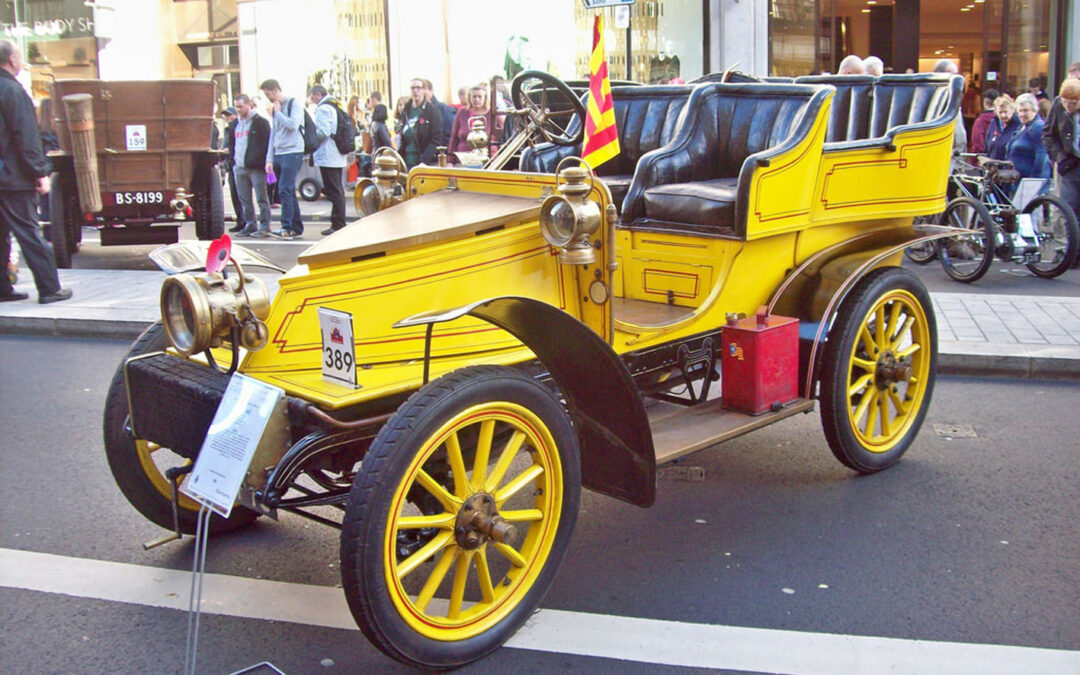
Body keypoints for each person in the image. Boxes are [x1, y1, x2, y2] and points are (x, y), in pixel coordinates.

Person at [0, 39, 70, 304]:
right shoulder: (13, 92)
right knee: (29, 233)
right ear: (12, 61)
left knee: (1, 239)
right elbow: (26, 137)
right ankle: (50, 288)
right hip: (13, 178)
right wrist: (40, 172)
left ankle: (2, 289)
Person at [260, 78, 305, 238]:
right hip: (279, 152)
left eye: (269, 95)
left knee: (284, 189)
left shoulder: (294, 104)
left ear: (275, 90)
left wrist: (278, 113)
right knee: (289, 190)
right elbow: (274, 134)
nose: (269, 99)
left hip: (293, 151)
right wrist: (269, 159)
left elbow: (293, 124)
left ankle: (286, 227)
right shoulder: (274, 109)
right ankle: (296, 226)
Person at [226, 94, 272, 238]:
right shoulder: (235, 124)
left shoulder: (260, 122)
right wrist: (233, 162)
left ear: (248, 105)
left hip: (256, 166)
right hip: (239, 166)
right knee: (244, 198)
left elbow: (267, 144)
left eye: (240, 106)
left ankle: (265, 226)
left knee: (261, 197)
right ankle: (250, 224)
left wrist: (265, 162)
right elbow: (232, 144)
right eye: (236, 107)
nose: (238, 110)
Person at [1042, 78, 1080, 241]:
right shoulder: (1058, 104)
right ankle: (1069, 251)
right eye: (1066, 103)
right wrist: (1060, 157)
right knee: (1067, 210)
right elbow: (1048, 134)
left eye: (1073, 104)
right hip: (1069, 163)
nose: (1068, 107)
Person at [308, 85, 348, 236]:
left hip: (328, 155)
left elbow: (323, 132)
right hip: (336, 154)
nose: (312, 101)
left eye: (312, 97)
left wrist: (311, 139)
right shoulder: (334, 105)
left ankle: (338, 223)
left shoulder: (323, 108)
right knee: (337, 189)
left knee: (334, 190)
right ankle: (338, 222)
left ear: (318, 94)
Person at [398, 78, 444, 169]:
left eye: (418, 88)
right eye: (412, 88)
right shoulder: (406, 111)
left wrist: (424, 161)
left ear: (424, 90)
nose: (415, 91)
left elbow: (435, 140)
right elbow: (403, 139)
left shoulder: (432, 111)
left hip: (423, 164)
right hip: (406, 162)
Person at [1005, 93, 1049, 181]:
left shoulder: (1038, 127)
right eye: (1019, 111)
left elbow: (1042, 155)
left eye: (1025, 110)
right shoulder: (1021, 127)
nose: (1022, 114)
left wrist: (1033, 180)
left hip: (1029, 182)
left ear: (1034, 110)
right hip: (1016, 180)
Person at [217, 106, 246, 233]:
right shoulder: (228, 129)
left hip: (237, 163)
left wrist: (227, 150)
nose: (228, 118)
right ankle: (240, 220)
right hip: (230, 163)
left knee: (241, 194)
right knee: (235, 193)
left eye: (230, 115)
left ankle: (245, 221)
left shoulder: (238, 127)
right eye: (226, 116)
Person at [932, 59, 967, 153]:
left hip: (956, 159)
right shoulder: (934, 101)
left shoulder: (954, 100)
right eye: (952, 75)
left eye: (957, 74)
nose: (956, 78)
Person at [448, 84, 489, 163]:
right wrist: (450, 161)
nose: (477, 99)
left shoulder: (492, 114)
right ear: (469, 98)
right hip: (464, 160)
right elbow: (454, 138)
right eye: (474, 96)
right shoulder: (462, 112)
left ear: (485, 98)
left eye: (480, 96)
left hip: (487, 161)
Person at [36, 97, 58, 223]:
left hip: (43, 169)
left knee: (45, 204)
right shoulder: (58, 132)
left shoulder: (37, 131)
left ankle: (48, 230)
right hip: (57, 171)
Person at [984, 95, 1020, 161]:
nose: (1003, 115)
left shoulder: (1019, 125)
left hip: (1010, 168)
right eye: (1000, 112)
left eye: (1005, 112)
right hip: (993, 167)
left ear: (1012, 110)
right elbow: (987, 146)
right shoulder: (994, 123)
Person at [423, 79, 455, 144]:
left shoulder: (441, 108)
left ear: (431, 90)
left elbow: (448, 133)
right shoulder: (416, 110)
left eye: (424, 90)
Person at [970, 88, 999, 154]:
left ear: (985, 103)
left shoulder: (980, 121)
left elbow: (977, 144)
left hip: (984, 160)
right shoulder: (1005, 120)